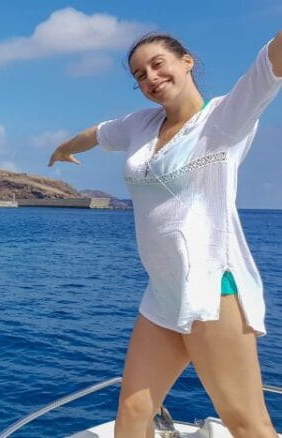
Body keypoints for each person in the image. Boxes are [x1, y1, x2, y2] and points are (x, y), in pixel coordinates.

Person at [48, 31, 282, 437]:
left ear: (187, 61)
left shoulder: (225, 118)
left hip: (211, 291)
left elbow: (269, 64)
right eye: (140, 75)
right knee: (134, 409)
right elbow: (99, 132)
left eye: (158, 64)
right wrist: (65, 148)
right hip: (162, 293)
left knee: (245, 423)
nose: (151, 78)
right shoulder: (142, 125)